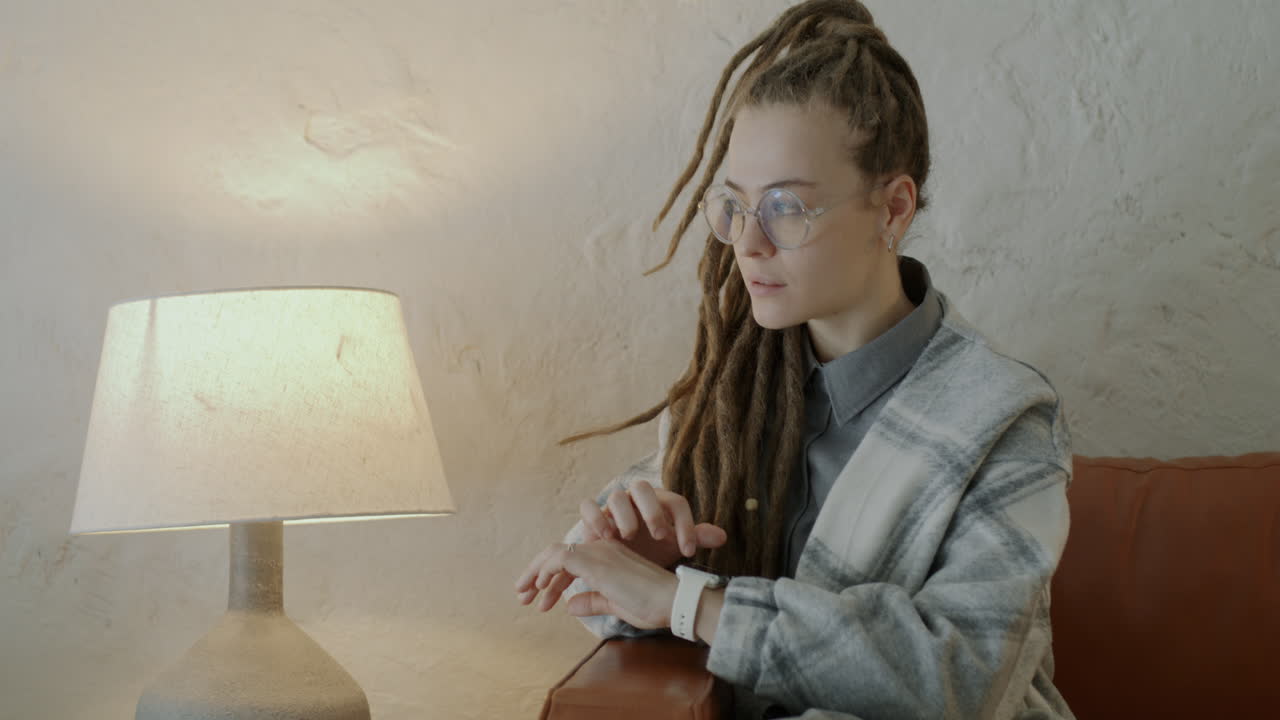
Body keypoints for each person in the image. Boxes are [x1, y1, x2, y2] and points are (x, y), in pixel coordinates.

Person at [514, 1, 1075, 718]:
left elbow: (965, 673)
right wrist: (645, 557)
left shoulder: (1002, 415)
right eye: (734, 205)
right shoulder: (730, 398)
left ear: (893, 208)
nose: (748, 244)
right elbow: (613, 586)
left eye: (785, 207)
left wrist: (692, 600)